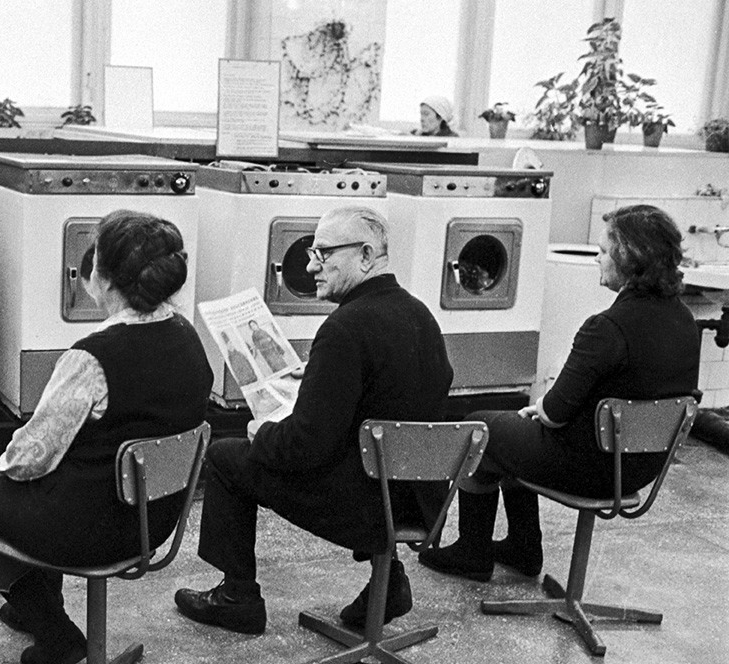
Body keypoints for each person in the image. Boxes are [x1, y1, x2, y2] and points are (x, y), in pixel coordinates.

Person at [174, 206, 454, 634]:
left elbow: (305, 446)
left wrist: (261, 432)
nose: (309, 266)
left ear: (365, 255)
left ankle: (237, 598)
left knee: (228, 457)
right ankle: (388, 579)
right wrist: (325, 375)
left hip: (366, 508)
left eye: (323, 254)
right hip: (417, 500)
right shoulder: (419, 315)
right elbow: (397, 400)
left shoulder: (344, 329)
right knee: (369, 451)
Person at [0, 210, 212, 664]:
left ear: (102, 279)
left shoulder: (90, 358)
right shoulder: (187, 335)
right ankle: (32, 603)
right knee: (43, 489)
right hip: (156, 518)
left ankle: (56, 635)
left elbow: (31, 457)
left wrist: (2, 470)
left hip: (93, 530)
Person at [419, 204, 701, 582]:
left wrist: (537, 410)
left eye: (603, 252)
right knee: (512, 435)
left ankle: (474, 551)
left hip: (589, 466)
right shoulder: (685, 320)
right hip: (639, 468)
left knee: (480, 427)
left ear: (629, 257)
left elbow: (555, 412)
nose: (597, 260)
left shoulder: (606, 328)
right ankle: (522, 547)